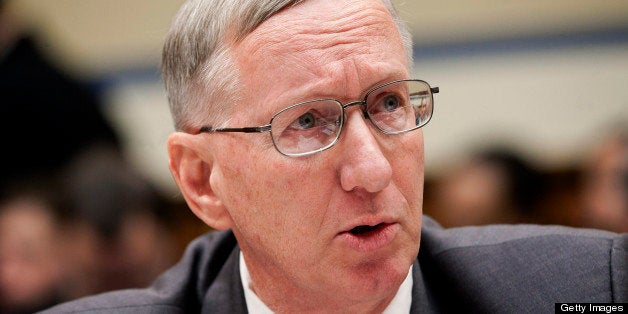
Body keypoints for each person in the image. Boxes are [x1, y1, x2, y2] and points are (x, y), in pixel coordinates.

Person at [43, 0, 626, 313]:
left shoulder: (588, 291)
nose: (372, 171)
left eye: (389, 103)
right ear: (203, 181)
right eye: (305, 122)